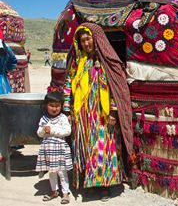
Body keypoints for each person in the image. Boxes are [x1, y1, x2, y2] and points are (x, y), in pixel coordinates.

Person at [63, 23, 133, 202]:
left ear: (96, 38)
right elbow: (68, 86)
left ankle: (105, 187)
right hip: (82, 115)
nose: (86, 43)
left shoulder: (108, 61)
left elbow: (117, 88)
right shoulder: (78, 62)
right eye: (82, 40)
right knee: (86, 148)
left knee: (103, 148)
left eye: (88, 39)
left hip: (102, 115)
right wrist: (66, 109)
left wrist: (113, 112)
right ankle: (89, 184)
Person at [35, 91, 72, 204]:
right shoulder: (44, 119)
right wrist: (43, 130)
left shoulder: (63, 118)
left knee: (61, 172)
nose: (54, 109)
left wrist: (52, 130)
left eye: (57, 106)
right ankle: (54, 191)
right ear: (46, 105)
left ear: (61, 106)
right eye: (51, 106)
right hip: (48, 150)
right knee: (52, 172)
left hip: (60, 149)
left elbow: (67, 131)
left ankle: (65, 193)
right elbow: (39, 133)